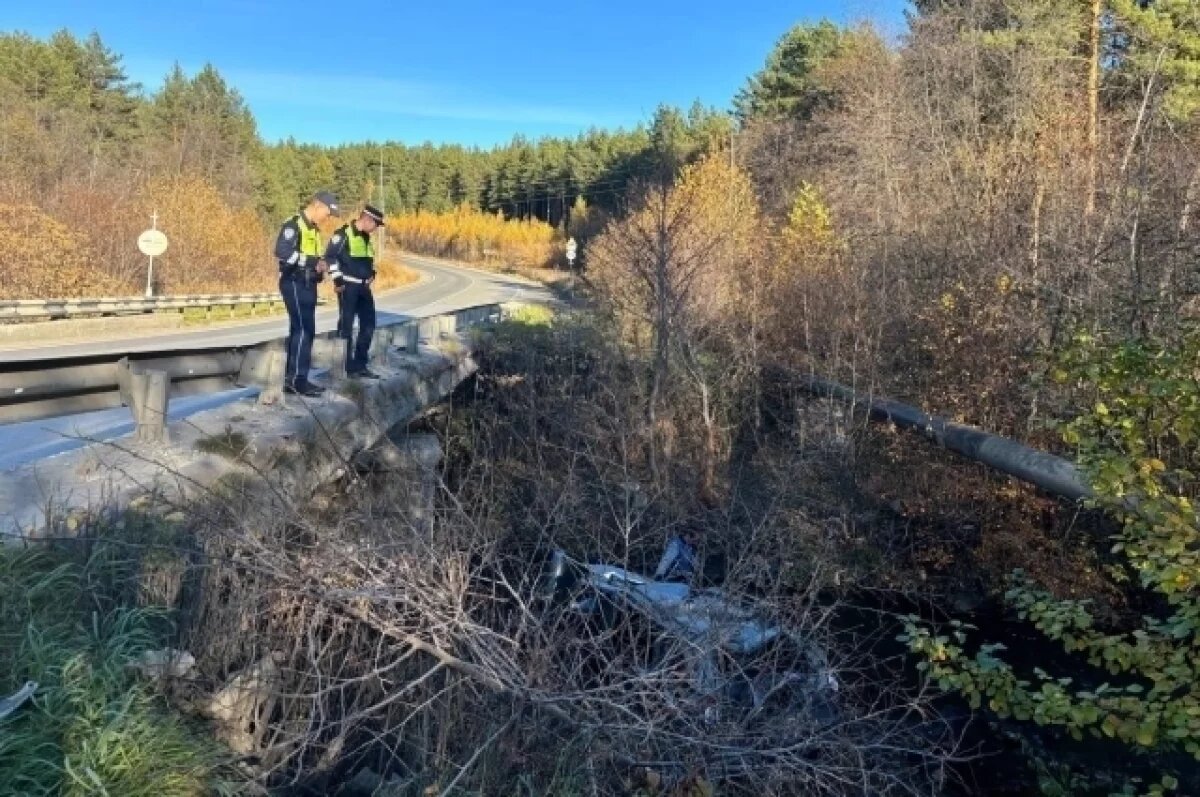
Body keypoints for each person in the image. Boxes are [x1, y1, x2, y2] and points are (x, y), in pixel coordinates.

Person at [275, 191, 338, 397]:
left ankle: (295, 378)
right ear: (318, 205)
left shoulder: (313, 229)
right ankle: (297, 381)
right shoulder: (294, 225)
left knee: (301, 330)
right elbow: (282, 251)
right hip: (294, 281)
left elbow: (311, 256)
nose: (327, 218)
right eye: (327, 213)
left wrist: (319, 268)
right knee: (304, 330)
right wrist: (311, 263)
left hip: (308, 282)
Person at [325, 204, 384, 378]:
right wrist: (338, 279)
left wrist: (372, 273)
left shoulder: (365, 237)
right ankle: (344, 365)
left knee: (369, 324)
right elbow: (330, 257)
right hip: (348, 286)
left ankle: (360, 364)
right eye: (375, 225)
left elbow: (367, 260)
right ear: (367, 219)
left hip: (364, 287)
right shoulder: (342, 235)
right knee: (346, 326)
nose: (375, 229)